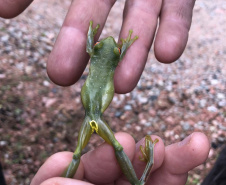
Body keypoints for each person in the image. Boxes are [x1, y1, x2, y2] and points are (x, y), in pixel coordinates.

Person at [0, 0, 210, 185]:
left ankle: (138, 175)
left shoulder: (97, 54)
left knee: (82, 154)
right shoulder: (110, 60)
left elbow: (90, 49)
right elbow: (99, 52)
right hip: (94, 117)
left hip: (93, 117)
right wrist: (122, 46)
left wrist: (94, 37)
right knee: (110, 149)